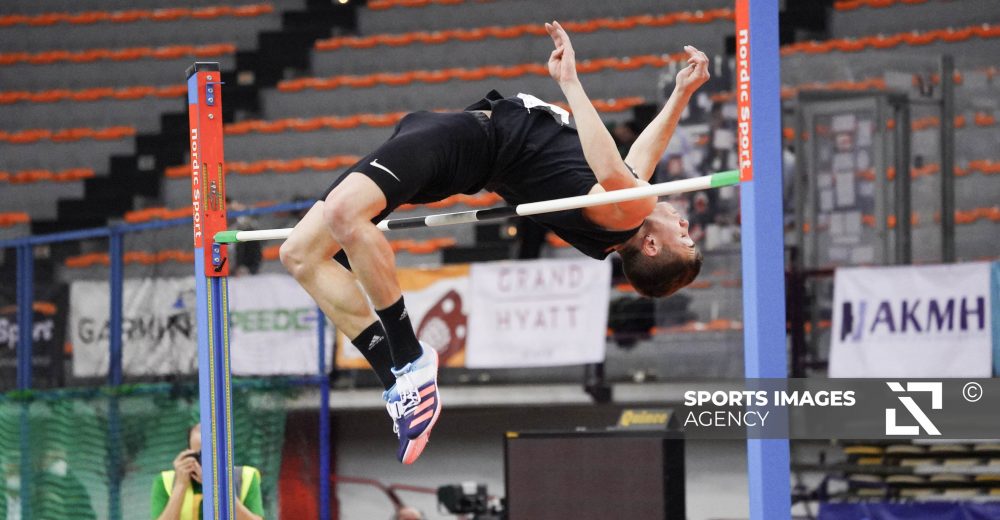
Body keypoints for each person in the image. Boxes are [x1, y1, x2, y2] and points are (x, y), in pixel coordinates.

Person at [279, 21, 709, 464]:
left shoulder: (628, 211)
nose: (683, 223)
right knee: (300, 253)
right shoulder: (615, 222)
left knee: (344, 213)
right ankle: (395, 377)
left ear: (652, 247)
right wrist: (681, 93)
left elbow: (615, 171)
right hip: (453, 138)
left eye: (684, 237)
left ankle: (410, 360)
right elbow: (637, 163)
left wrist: (570, 83)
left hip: (466, 144)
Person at [151, 424, 264, 520]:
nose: (207, 462)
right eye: (200, 455)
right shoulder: (167, 481)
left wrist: (217, 487)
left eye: (212, 454)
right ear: (189, 454)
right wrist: (180, 485)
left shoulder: (244, 477)